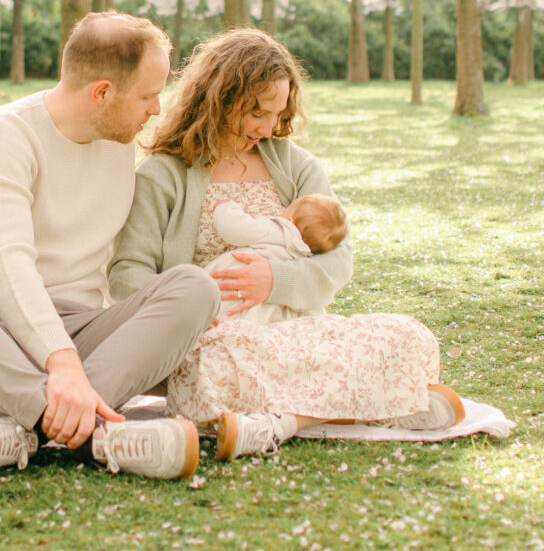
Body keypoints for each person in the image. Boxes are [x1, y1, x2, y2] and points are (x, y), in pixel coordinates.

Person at [108, 28, 465, 462]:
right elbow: (129, 275)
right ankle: (377, 404)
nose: (268, 127)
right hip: (214, 341)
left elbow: (339, 262)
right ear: (217, 98)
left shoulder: (296, 166)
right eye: (255, 112)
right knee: (210, 371)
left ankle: (279, 422)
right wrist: (189, 317)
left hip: (294, 331)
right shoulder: (163, 176)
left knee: (409, 337)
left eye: (277, 114)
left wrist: (274, 280)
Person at [0, 11, 220, 481]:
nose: (157, 109)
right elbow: (6, 266)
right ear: (102, 92)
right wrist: (60, 363)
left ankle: (30, 431)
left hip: (83, 340)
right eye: (148, 96)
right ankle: (93, 431)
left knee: (194, 287)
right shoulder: (3, 135)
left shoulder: (117, 138)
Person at [205, 193, 347, 324]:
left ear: (290, 220)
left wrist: (224, 207)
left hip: (235, 291)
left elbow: (235, 229)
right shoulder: (306, 254)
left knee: (226, 303)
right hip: (271, 313)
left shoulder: (276, 230)